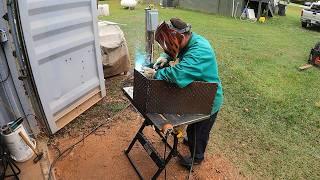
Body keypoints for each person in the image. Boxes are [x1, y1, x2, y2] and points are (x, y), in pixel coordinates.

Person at [145, 17, 223, 169]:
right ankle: (191, 139)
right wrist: (165, 56)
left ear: (179, 37)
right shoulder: (190, 41)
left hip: (209, 99)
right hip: (198, 93)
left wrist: (156, 75)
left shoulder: (200, 51)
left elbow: (178, 74)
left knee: (200, 131)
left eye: (169, 42)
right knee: (194, 126)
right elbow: (178, 51)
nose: (167, 45)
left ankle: (197, 157)